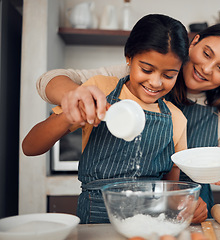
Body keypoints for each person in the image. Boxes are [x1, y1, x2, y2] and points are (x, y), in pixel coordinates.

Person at [36, 22, 220, 218]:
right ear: (194, 42)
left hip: (187, 216)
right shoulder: (132, 77)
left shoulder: (216, 116)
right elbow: (49, 80)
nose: (206, 69)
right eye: (207, 54)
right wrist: (77, 98)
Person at [23, 14, 202, 224]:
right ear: (129, 57)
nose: (155, 82)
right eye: (146, 69)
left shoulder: (175, 118)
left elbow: (171, 185)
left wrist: (185, 205)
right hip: (96, 218)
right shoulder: (100, 90)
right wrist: (68, 116)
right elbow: (30, 147)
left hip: (149, 223)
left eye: (169, 75)